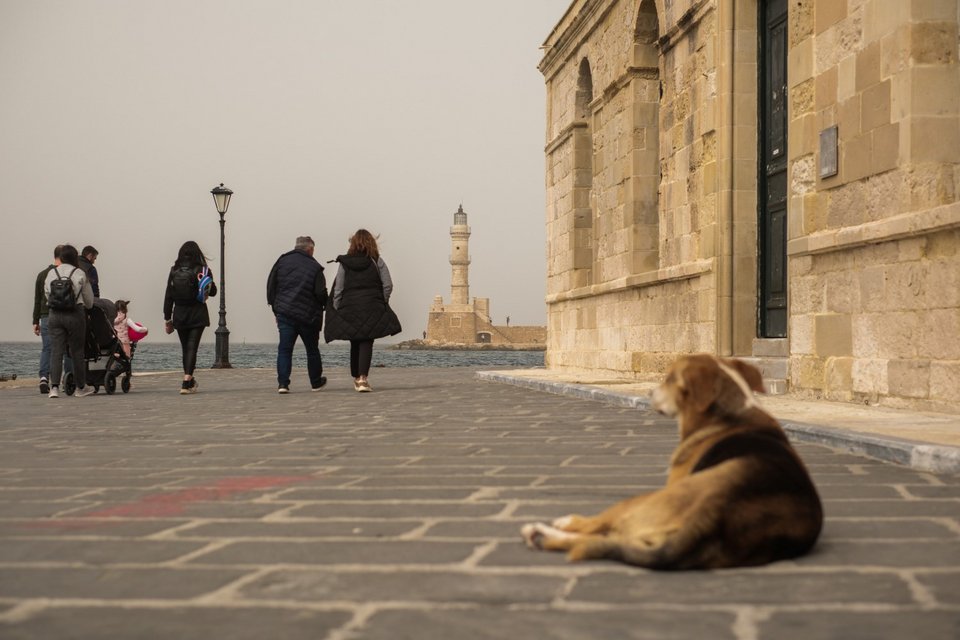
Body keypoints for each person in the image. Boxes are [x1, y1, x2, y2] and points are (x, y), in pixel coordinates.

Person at [323, 229, 401, 392]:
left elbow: (339, 288)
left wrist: (337, 306)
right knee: (367, 341)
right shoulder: (377, 261)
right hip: (372, 305)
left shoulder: (345, 263)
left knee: (355, 339)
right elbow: (388, 284)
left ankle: (356, 377)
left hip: (349, 306)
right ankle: (362, 378)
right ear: (371, 243)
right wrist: (382, 301)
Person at [266, 236, 328, 394]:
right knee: (312, 350)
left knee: (285, 350)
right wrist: (326, 306)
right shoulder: (315, 267)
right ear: (310, 249)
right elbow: (320, 292)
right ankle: (315, 382)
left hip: (285, 314)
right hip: (309, 316)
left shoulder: (282, 261)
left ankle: (283, 384)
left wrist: (276, 309)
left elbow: (271, 286)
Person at [163, 241, 216, 394]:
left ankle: (188, 379)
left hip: (179, 314)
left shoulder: (174, 270)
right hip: (197, 313)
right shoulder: (203, 270)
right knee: (192, 347)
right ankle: (187, 380)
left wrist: (168, 319)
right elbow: (213, 292)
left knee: (185, 348)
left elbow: (168, 296)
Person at [44, 244, 95, 398]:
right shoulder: (80, 273)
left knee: (56, 352)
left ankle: (53, 388)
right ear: (74, 257)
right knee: (77, 351)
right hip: (75, 314)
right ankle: (80, 387)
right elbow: (89, 301)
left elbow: (48, 294)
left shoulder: (51, 273)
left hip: (54, 315)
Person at [32, 244, 63, 394]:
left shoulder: (42, 274)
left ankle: (44, 377)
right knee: (65, 348)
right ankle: (68, 378)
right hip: (61, 315)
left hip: (44, 316)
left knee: (47, 348)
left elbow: (37, 299)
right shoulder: (64, 273)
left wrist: (34, 321)